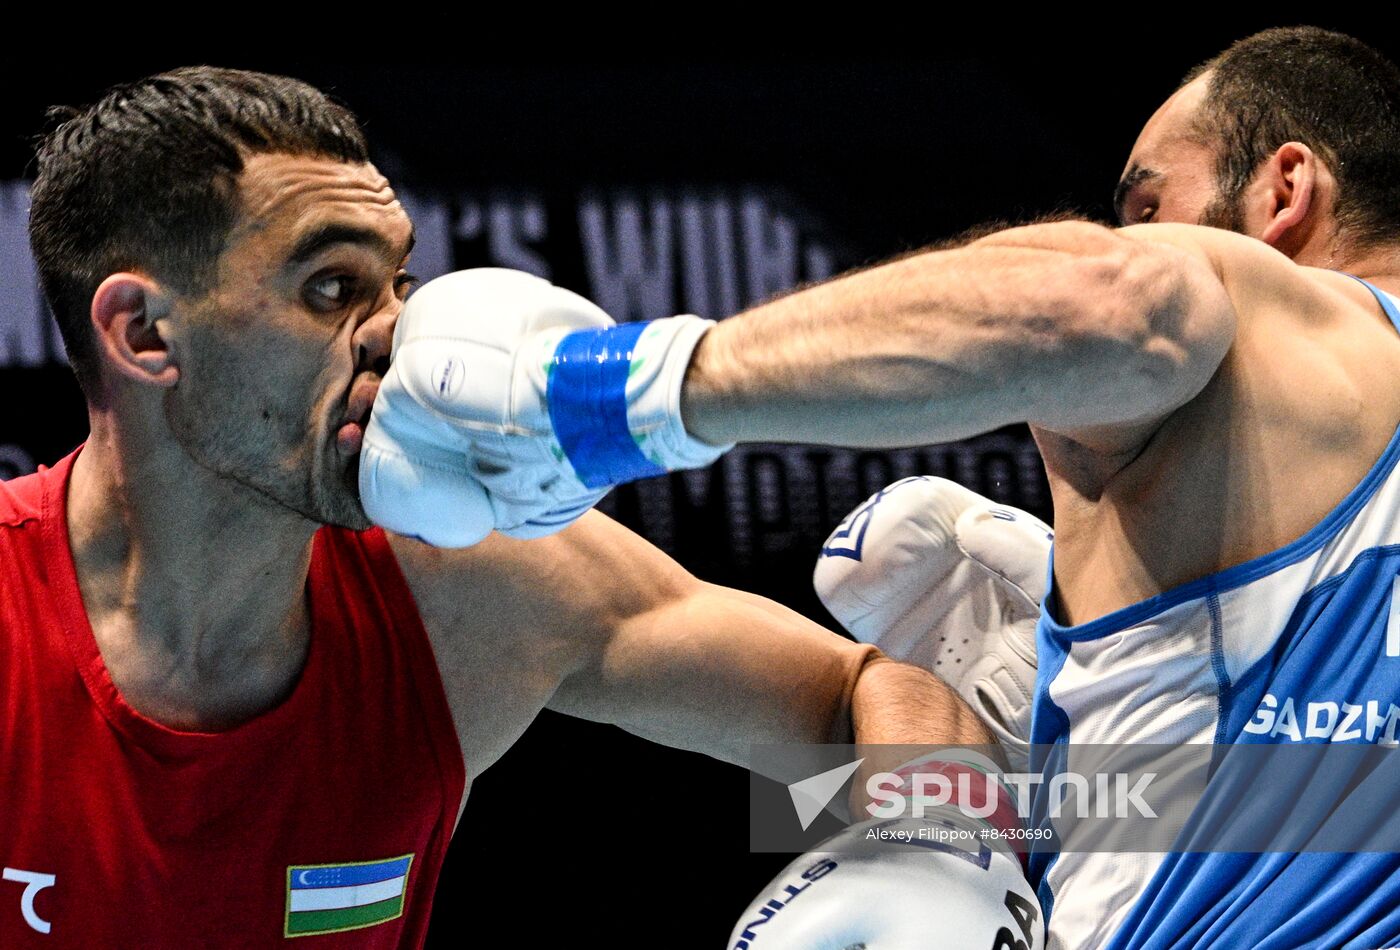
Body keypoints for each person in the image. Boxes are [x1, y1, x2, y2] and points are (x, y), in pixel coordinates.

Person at [404, 26, 1400, 948]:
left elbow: (1113, 301)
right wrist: (1041, 780)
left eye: (1145, 205)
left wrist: (615, 395)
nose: (1133, 234)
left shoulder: (1299, 330)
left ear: (1282, 194)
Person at [0, 67, 999, 948]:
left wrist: (938, 847)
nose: (394, 332)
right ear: (145, 334)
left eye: (398, 281)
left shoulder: (473, 591)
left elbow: (849, 695)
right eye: (330, 286)